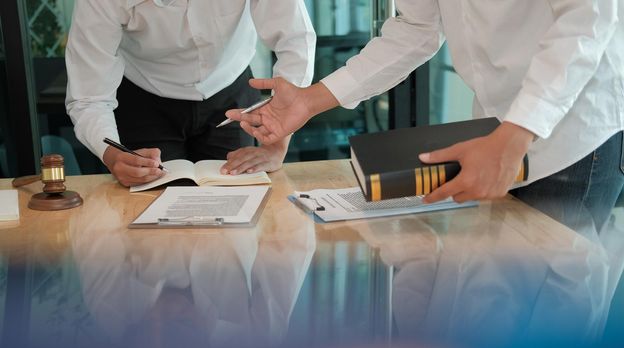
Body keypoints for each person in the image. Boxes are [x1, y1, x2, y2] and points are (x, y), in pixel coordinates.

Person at [226, 0, 624, 234]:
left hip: (572, 134)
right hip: (491, 130)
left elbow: (585, 22)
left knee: (561, 302)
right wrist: (311, 101)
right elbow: (417, 28)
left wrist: (518, 132)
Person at [66, 0, 315, 187]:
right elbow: (89, 96)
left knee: (237, 209)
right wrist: (112, 155)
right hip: (144, 97)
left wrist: (276, 146)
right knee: (152, 217)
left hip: (230, 90)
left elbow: (295, 42)